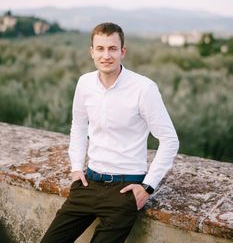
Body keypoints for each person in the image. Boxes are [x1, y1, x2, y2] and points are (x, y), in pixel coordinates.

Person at [41, 22, 179, 243]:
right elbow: (78, 126)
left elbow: (170, 140)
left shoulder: (144, 88)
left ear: (122, 51)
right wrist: (76, 167)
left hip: (125, 190)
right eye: (101, 48)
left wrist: (147, 187)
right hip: (88, 183)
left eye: (112, 48)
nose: (107, 55)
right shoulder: (84, 83)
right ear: (92, 52)